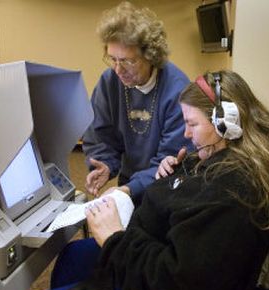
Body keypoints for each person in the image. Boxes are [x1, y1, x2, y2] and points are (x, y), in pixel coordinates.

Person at [20, 70, 269, 290]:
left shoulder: (231, 193)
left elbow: (176, 284)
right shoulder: (218, 160)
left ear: (226, 125)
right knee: (72, 256)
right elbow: (190, 204)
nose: (186, 135)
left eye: (191, 124)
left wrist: (115, 238)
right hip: (152, 247)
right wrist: (176, 174)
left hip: (162, 288)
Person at [82, 1, 192, 203]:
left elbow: (171, 160)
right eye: (112, 59)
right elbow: (100, 135)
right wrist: (105, 164)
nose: (118, 69)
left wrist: (127, 190)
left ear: (151, 55)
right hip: (128, 181)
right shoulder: (109, 81)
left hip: (164, 188)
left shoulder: (178, 89)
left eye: (127, 61)